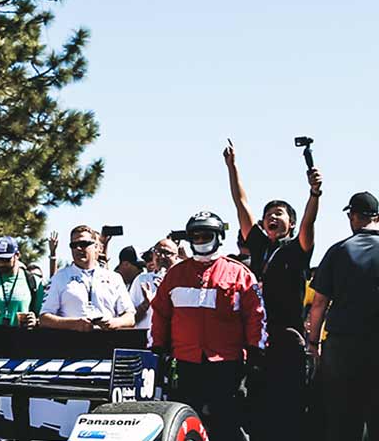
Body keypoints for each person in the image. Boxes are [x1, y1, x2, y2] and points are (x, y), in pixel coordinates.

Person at [223, 139, 321, 440]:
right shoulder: (259, 245)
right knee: (257, 406)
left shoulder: (297, 249)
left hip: (288, 341)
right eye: (269, 214)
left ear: (290, 223)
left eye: (279, 213)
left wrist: (314, 194)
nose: (272, 217)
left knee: (289, 408)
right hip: (257, 340)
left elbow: (309, 221)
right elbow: (241, 204)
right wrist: (232, 166)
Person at [151, 212, 266, 441]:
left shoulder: (239, 273)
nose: (201, 241)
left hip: (226, 364)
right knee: (187, 420)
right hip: (185, 363)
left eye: (206, 236)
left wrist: (255, 350)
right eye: (196, 236)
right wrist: (158, 348)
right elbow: (160, 314)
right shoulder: (175, 275)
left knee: (226, 422)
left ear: (218, 237)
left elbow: (256, 315)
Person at [307, 192, 379, 441]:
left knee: (343, 421)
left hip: (343, 349)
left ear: (353, 217)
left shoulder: (339, 250)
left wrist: (313, 343)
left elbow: (318, 304)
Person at [40, 226, 135, 331]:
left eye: (84, 244)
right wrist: (73, 324)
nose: (78, 248)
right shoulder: (59, 278)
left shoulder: (114, 278)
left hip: (107, 342)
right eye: (74, 245)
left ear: (97, 247)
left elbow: (130, 317)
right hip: (70, 343)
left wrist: (113, 322)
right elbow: (44, 318)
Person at [130, 238, 179, 332]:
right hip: (145, 336)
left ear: (176, 257)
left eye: (167, 253)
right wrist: (145, 304)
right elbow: (131, 319)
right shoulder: (142, 280)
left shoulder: (183, 280)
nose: (161, 256)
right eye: (158, 252)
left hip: (174, 337)